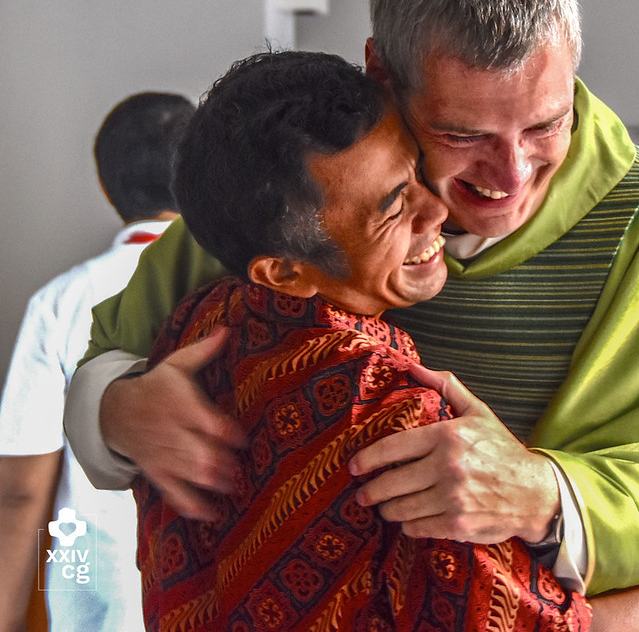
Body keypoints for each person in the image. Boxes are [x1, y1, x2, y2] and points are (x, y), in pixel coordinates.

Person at [64, 0, 639, 630]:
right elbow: (107, 359)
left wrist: (539, 491)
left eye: (546, 123)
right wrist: (117, 410)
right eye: (462, 133)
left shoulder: (636, 214)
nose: (511, 175)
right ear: (383, 74)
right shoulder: (290, 189)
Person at [134, 50, 591, 630]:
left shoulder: (190, 330)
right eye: (393, 205)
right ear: (285, 272)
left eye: (417, 169)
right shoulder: (401, 421)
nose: (436, 208)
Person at [0, 91, 193, 632]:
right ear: (202, 176)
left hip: (98, 601)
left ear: (108, 189)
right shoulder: (246, 288)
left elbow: (21, 489)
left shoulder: (60, 302)